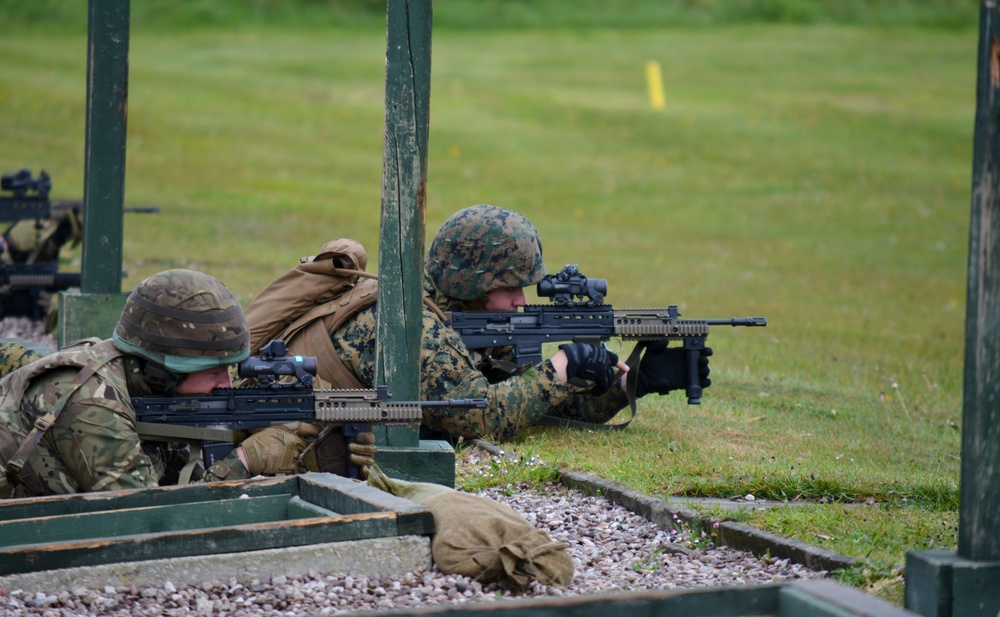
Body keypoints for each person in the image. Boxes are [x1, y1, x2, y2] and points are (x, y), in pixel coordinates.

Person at [260, 204, 712, 442]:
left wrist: (630, 385)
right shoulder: (416, 329)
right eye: (510, 288)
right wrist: (559, 370)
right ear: (472, 281)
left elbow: (530, 405)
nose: (520, 301)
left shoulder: (465, 315)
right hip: (280, 429)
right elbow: (481, 417)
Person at [0, 269, 372, 499]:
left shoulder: (146, 386)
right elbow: (143, 522)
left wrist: (315, 452)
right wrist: (245, 461)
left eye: (229, 368)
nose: (224, 384)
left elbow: (174, 475)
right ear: (164, 369)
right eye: (212, 371)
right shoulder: (94, 403)